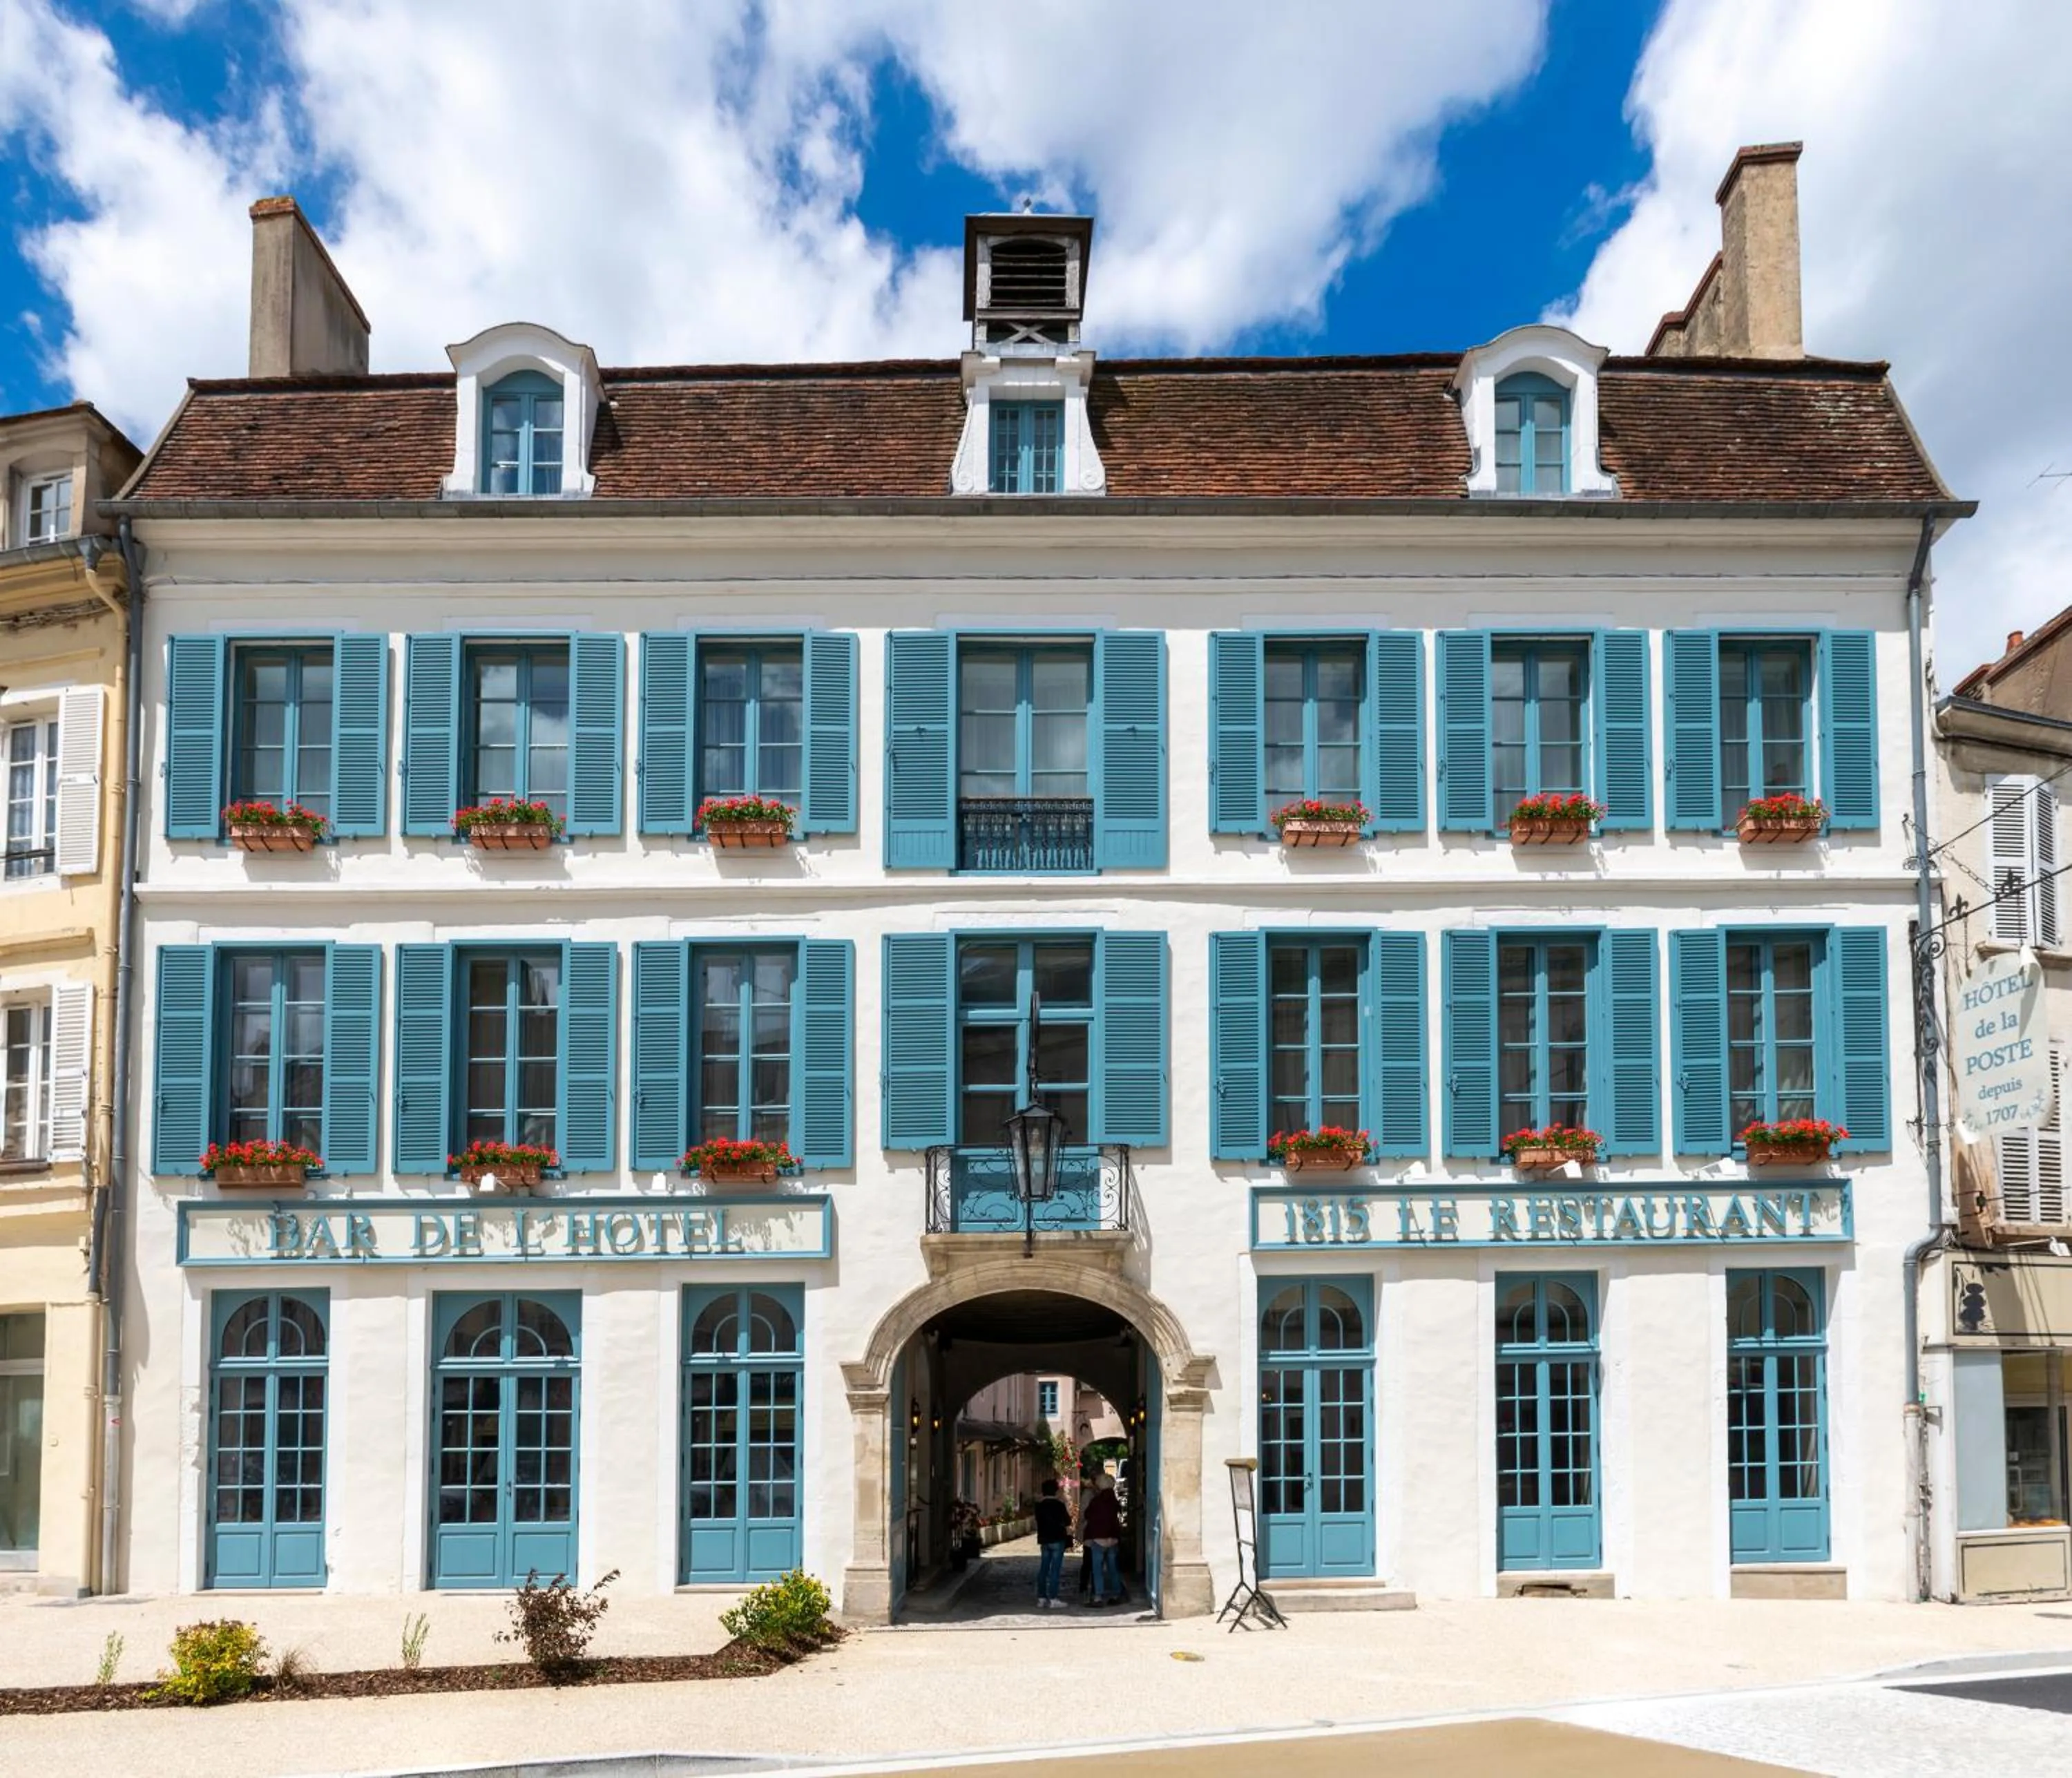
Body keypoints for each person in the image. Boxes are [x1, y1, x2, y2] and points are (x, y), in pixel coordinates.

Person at [1080, 1473, 1124, 1605]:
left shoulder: (1097, 1501)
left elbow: (1087, 1515)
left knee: (1097, 1568)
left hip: (1098, 1537)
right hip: (1113, 1537)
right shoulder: (1114, 1501)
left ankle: (1098, 1597)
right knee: (1113, 1568)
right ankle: (1117, 1594)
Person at [1032, 1478, 1071, 1609]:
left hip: (1044, 1539)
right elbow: (1068, 1522)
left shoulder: (1039, 1506)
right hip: (1057, 1539)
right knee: (1055, 1570)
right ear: (1056, 1491)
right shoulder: (1059, 1505)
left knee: (1043, 1569)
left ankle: (1041, 1598)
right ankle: (1053, 1599)